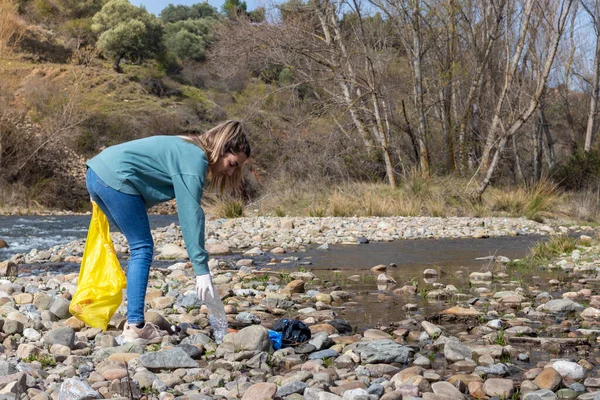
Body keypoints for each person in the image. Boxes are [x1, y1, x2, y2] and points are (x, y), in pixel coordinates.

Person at [85, 120, 250, 344]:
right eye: (232, 164)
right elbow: (190, 212)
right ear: (221, 149)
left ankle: (131, 321)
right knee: (142, 247)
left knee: (138, 246)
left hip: (96, 173)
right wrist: (201, 270)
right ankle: (135, 326)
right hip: (113, 176)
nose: (230, 172)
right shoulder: (195, 158)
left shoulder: (186, 146)